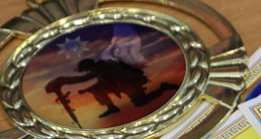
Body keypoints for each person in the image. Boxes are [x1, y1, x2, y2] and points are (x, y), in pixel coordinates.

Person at [45, 25, 176, 119]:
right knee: (96, 89)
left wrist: (64, 80)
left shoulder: (102, 67)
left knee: (140, 102)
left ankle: (163, 88)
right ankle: (111, 108)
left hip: (127, 82)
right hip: (118, 84)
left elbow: (88, 78)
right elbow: (100, 81)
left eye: (86, 69)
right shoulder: (100, 69)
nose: (87, 71)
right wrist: (85, 89)